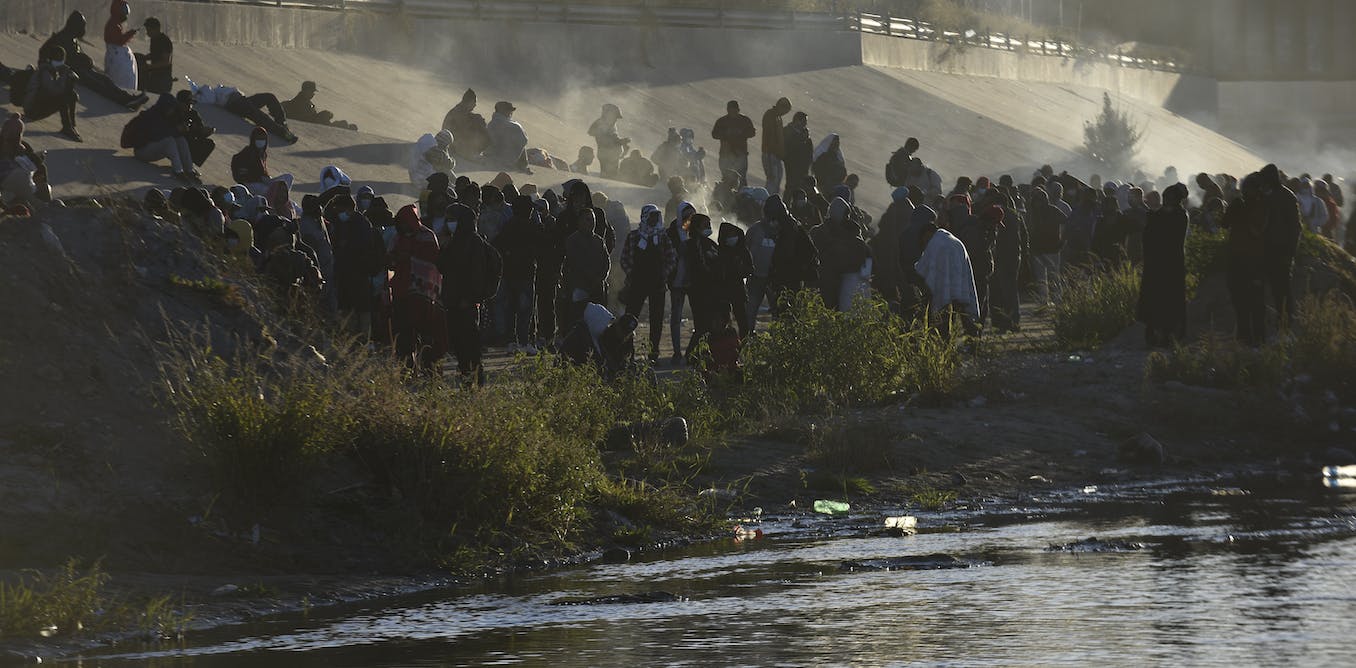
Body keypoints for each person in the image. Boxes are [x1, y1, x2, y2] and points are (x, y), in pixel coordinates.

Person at [438, 203, 502, 385]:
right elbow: (442, 266)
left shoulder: (473, 243)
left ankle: (475, 382)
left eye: (452, 219)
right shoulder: (454, 241)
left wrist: (470, 298)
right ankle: (468, 379)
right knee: (459, 345)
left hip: (466, 304)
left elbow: (476, 274)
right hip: (453, 302)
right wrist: (444, 246)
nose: (449, 223)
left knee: (470, 346)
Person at [42, 11, 149, 110]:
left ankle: (128, 98)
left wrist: (85, 60)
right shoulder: (61, 38)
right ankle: (125, 101)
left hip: (80, 70)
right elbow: (56, 57)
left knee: (105, 80)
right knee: (98, 84)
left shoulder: (71, 38)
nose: (83, 29)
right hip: (70, 72)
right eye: (81, 25)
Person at [390, 203, 445, 372]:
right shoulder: (398, 238)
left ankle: (431, 373)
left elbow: (434, 260)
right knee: (403, 338)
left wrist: (410, 256)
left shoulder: (427, 236)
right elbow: (389, 258)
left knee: (427, 337)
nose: (401, 226)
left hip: (425, 295)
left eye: (404, 222)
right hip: (402, 293)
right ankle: (406, 372)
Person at [621, 204, 677, 362]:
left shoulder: (662, 237)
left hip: (658, 284)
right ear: (644, 216)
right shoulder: (634, 236)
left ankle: (653, 353)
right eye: (651, 216)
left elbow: (672, 257)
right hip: (637, 283)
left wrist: (663, 274)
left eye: (656, 216)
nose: (654, 219)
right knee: (630, 318)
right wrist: (631, 273)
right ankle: (628, 352)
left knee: (656, 319)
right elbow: (624, 258)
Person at [1138, 183, 1189, 348]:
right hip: (1156, 264)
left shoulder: (1180, 216)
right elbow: (1148, 237)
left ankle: (1168, 334)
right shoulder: (1157, 215)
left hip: (1171, 264)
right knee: (1154, 298)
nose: (1166, 201)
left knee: (1170, 300)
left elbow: (1174, 238)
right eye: (1165, 197)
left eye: (1170, 198)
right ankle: (1153, 332)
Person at [1221, 173, 1268, 346]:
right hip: (1236, 258)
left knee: (1255, 302)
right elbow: (1224, 223)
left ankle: (1258, 338)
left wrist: (1243, 215)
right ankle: (1244, 337)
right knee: (1239, 301)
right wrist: (1234, 209)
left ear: (1257, 190)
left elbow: (1258, 232)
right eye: (1245, 188)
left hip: (1254, 260)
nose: (1247, 192)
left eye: (1250, 189)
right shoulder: (1239, 204)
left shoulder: (1262, 206)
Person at [494, 195, 543, 353]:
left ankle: (511, 342)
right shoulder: (531, 227)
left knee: (510, 309)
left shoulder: (507, 226)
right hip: (526, 274)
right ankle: (524, 341)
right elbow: (540, 249)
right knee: (525, 309)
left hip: (508, 274)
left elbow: (497, 246)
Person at [915, 221, 980, 339]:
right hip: (959, 285)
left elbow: (922, 268)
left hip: (942, 287)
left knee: (943, 318)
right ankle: (973, 341)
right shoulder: (955, 241)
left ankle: (944, 344)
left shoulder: (935, 243)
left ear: (927, 234)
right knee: (964, 315)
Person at [122, 93, 200, 184]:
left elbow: (170, 133)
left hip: (152, 148)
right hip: (142, 151)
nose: (172, 110)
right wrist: (177, 129)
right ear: (165, 106)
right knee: (169, 141)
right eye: (170, 107)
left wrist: (183, 129)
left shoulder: (166, 115)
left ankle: (189, 170)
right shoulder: (152, 116)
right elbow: (158, 135)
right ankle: (178, 172)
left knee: (180, 139)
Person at [1259, 164, 1301, 326]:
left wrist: (1290, 253)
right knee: (1273, 289)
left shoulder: (1287, 197)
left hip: (1281, 250)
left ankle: (1287, 323)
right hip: (1267, 249)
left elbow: (1295, 228)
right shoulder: (1267, 195)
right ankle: (1279, 321)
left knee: (1282, 289)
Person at [815, 197, 871, 312]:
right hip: (842, 284)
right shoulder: (855, 236)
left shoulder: (819, 232)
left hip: (832, 282)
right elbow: (868, 261)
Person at [681, 213, 722, 362]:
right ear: (697, 227)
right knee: (702, 325)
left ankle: (702, 354)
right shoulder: (693, 244)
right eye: (706, 225)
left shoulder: (709, 243)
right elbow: (699, 266)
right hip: (699, 290)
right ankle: (691, 354)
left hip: (710, 289)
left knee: (709, 324)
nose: (709, 228)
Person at [563, 208, 611, 331]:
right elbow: (574, 262)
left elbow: (606, 262)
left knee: (598, 321)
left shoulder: (599, 241)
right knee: (578, 320)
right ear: (579, 221)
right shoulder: (572, 240)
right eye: (588, 219)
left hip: (597, 288)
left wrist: (600, 278)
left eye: (593, 220)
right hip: (579, 287)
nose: (591, 223)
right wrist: (590, 277)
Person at [23, 46, 81, 142]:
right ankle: (67, 127)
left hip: (39, 105)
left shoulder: (53, 70)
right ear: (51, 59)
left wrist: (69, 80)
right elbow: (53, 90)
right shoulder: (45, 71)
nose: (60, 62)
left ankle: (71, 125)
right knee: (62, 98)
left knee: (71, 94)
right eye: (58, 59)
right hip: (32, 110)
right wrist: (64, 75)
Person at [989, 191, 1028, 333]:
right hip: (1013, 256)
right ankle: (1014, 321)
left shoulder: (994, 213)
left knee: (997, 291)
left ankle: (1002, 324)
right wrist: (1024, 255)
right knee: (1011, 289)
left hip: (998, 256)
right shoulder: (1016, 215)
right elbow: (1024, 237)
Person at [870, 186, 913, 313]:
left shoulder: (895, 209)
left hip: (890, 249)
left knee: (888, 277)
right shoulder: (910, 210)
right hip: (901, 249)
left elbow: (883, 225)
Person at [897, 204, 940, 323]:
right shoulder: (925, 234)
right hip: (921, 276)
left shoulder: (905, 232)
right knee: (925, 310)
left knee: (907, 309)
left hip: (905, 274)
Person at [716, 219, 754, 338]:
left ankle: (744, 345)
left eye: (734, 235)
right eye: (729, 235)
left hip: (738, 289)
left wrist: (741, 269)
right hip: (723, 291)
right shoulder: (719, 251)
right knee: (723, 321)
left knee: (742, 321)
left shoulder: (742, 250)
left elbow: (750, 268)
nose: (733, 238)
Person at [223, 87, 297, 143]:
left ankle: (282, 124)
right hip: (235, 105)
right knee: (259, 115)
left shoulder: (219, 88)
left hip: (243, 100)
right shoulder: (212, 93)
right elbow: (212, 100)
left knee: (269, 97)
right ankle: (282, 133)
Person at [0, 115, 45, 206]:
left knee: (42, 184)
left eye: (15, 134)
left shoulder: (24, 148)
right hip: (5, 187)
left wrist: (37, 159)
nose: (9, 136)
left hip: (20, 186)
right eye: (7, 132)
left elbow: (34, 167)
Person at [711, 100, 756, 187]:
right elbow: (714, 134)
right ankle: (726, 198)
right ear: (727, 110)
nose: (732, 112)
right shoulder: (722, 121)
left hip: (740, 154)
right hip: (726, 154)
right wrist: (726, 134)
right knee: (726, 179)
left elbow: (752, 133)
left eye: (734, 110)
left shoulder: (744, 120)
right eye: (730, 110)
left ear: (738, 110)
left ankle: (742, 198)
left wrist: (741, 133)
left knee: (741, 179)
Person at [280, 81, 357, 131]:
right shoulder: (298, 102)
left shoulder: (306, 102)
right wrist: (322, 115)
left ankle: (346, 128)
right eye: (312, 91)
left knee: (345, 124)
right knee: (343, 124)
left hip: (321, 125)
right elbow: (305, 120)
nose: (313, 94)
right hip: (316, 128)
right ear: (306, 90)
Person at [231, 127, 287, 194]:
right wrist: (259, 178)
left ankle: (282, 199)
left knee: (287, 178)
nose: (261, 141)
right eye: (258, 139)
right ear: (253, 140)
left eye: (263, 139)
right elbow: (240, 175)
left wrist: (267, 178)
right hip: (250, 184)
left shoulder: (262, 154)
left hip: (262, 181)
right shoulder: (247, 153)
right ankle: (273, 199)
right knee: (269, 191)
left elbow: (263, 172)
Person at [442, 88, 490, 160]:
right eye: (474, 102)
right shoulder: (459, 112)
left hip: (454, 143)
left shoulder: (461, 110)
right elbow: (464, 131)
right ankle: (470, 153)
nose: (475, 105)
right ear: (469, 102)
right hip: (453, 146)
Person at [103, 1, 138, 93]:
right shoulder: (113, 24)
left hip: (117, 56)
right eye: (123, 10)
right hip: (116, 58)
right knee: (120, 83)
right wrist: (130, 34)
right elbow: (118, 41)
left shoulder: (115, 24)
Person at [486, 101, 531, 173]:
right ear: (503, 111)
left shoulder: (492, 123)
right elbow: (523, 140)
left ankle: (522, 164)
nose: (511, 113)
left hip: (491, 155)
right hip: (505, 160)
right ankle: (522, 165)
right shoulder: (513, 126)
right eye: (509, 111)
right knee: (521, 142)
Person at [587, 103, 629, 179]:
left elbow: (612, 138)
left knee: (611, 176)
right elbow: (602, 139)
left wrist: (621, 141)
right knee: (608, 177)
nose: (616, 119)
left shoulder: (611, 124)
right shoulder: (601, 123)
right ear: (609, 114)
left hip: (612, 155)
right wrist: (619, 141)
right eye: (615, 116)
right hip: (607, 156)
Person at [175, 89, 215, 167]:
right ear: (180, 102)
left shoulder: (193, 114)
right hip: (174, 141)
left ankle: (189, 163)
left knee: (209, 143)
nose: (190, 106)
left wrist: (206, 132)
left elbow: (200, 131)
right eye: (188, 103)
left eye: (191, 103)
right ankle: (184, 164)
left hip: (189, 141)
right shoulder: (173, 112)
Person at [761, 97, 791, 195]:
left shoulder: (777, 117)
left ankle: (773, 199)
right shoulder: (770, 115)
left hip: (775, 154)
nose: (785, 113)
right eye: (785, 110)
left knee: (777, 178)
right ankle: (767, 200)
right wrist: (774, 149)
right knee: (772, 179)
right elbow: (770, 135)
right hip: (770, 153)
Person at [136, 16, 172, 95]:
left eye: (149, 30)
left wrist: (148, 67)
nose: (147, 32)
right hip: (154, 77)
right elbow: (155, 54)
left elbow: (166, 62)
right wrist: (144, 58)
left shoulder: (164, 41)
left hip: (163, 80)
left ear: (156, 29)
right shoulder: (154, 40)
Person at [782, 111, 813, 196]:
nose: (805, 124)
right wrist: (802, 138)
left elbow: (809, 150)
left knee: (801, 188)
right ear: (797, 120)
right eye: (804, 121)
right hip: (792, 164)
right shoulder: (787, 131)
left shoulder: (805, 134)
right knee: (790, 186)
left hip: (803, 166)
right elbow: (788, 147)